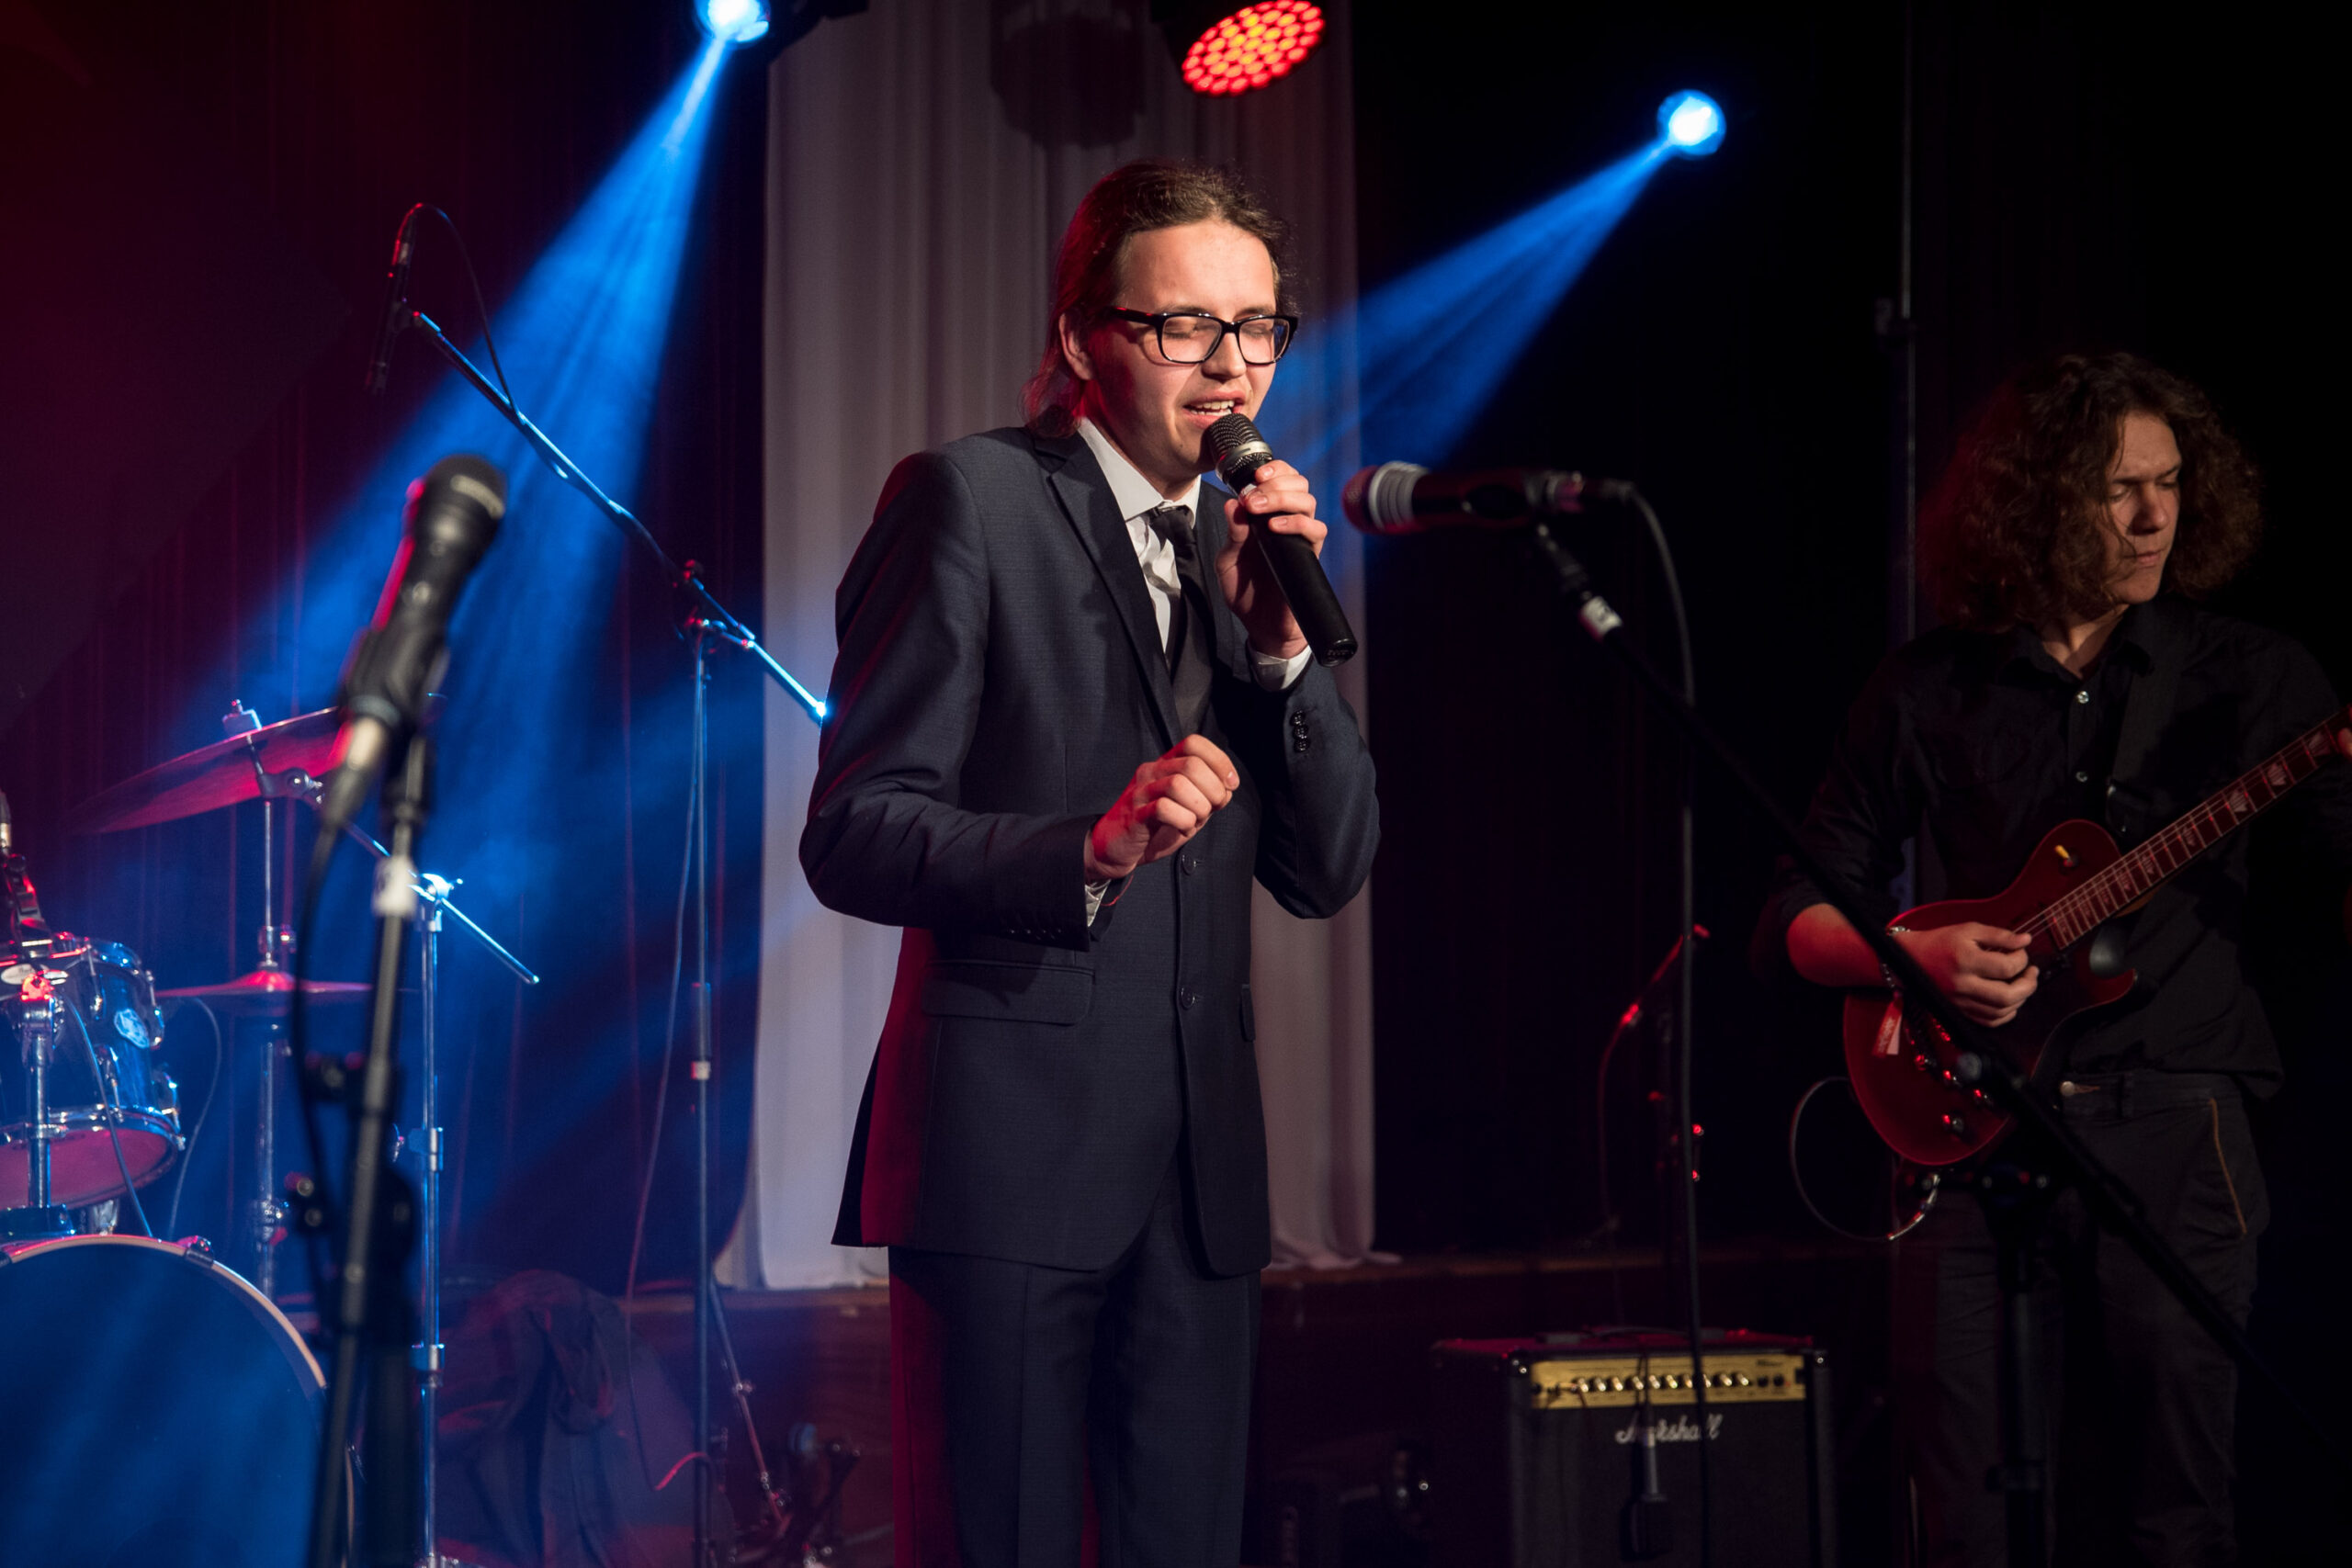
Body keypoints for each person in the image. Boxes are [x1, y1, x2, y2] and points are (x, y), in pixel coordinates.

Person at [801, 159, 1378, 1567]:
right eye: (1185, 326)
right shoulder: (971, 499)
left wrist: (1282, 657)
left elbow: (1328, 867)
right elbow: (857, 827)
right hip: (1006, 1159)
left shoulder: (1246, 550)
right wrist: (1090, 849)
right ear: (1080, 336)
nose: (1230, 366)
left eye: (1257, 327)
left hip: (1199, 1179)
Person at [1758, 351, 2352, 1566]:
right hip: (1971, 1127)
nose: (2153, 517)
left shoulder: (2256, 678)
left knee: (2173, 1509)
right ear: (2035, 503)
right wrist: (1912, 957)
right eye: (2118, 489)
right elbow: (1795, 917)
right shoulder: (1928, 688)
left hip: (2175, 1121)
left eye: (2170, 483)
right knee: (1962, 1510)